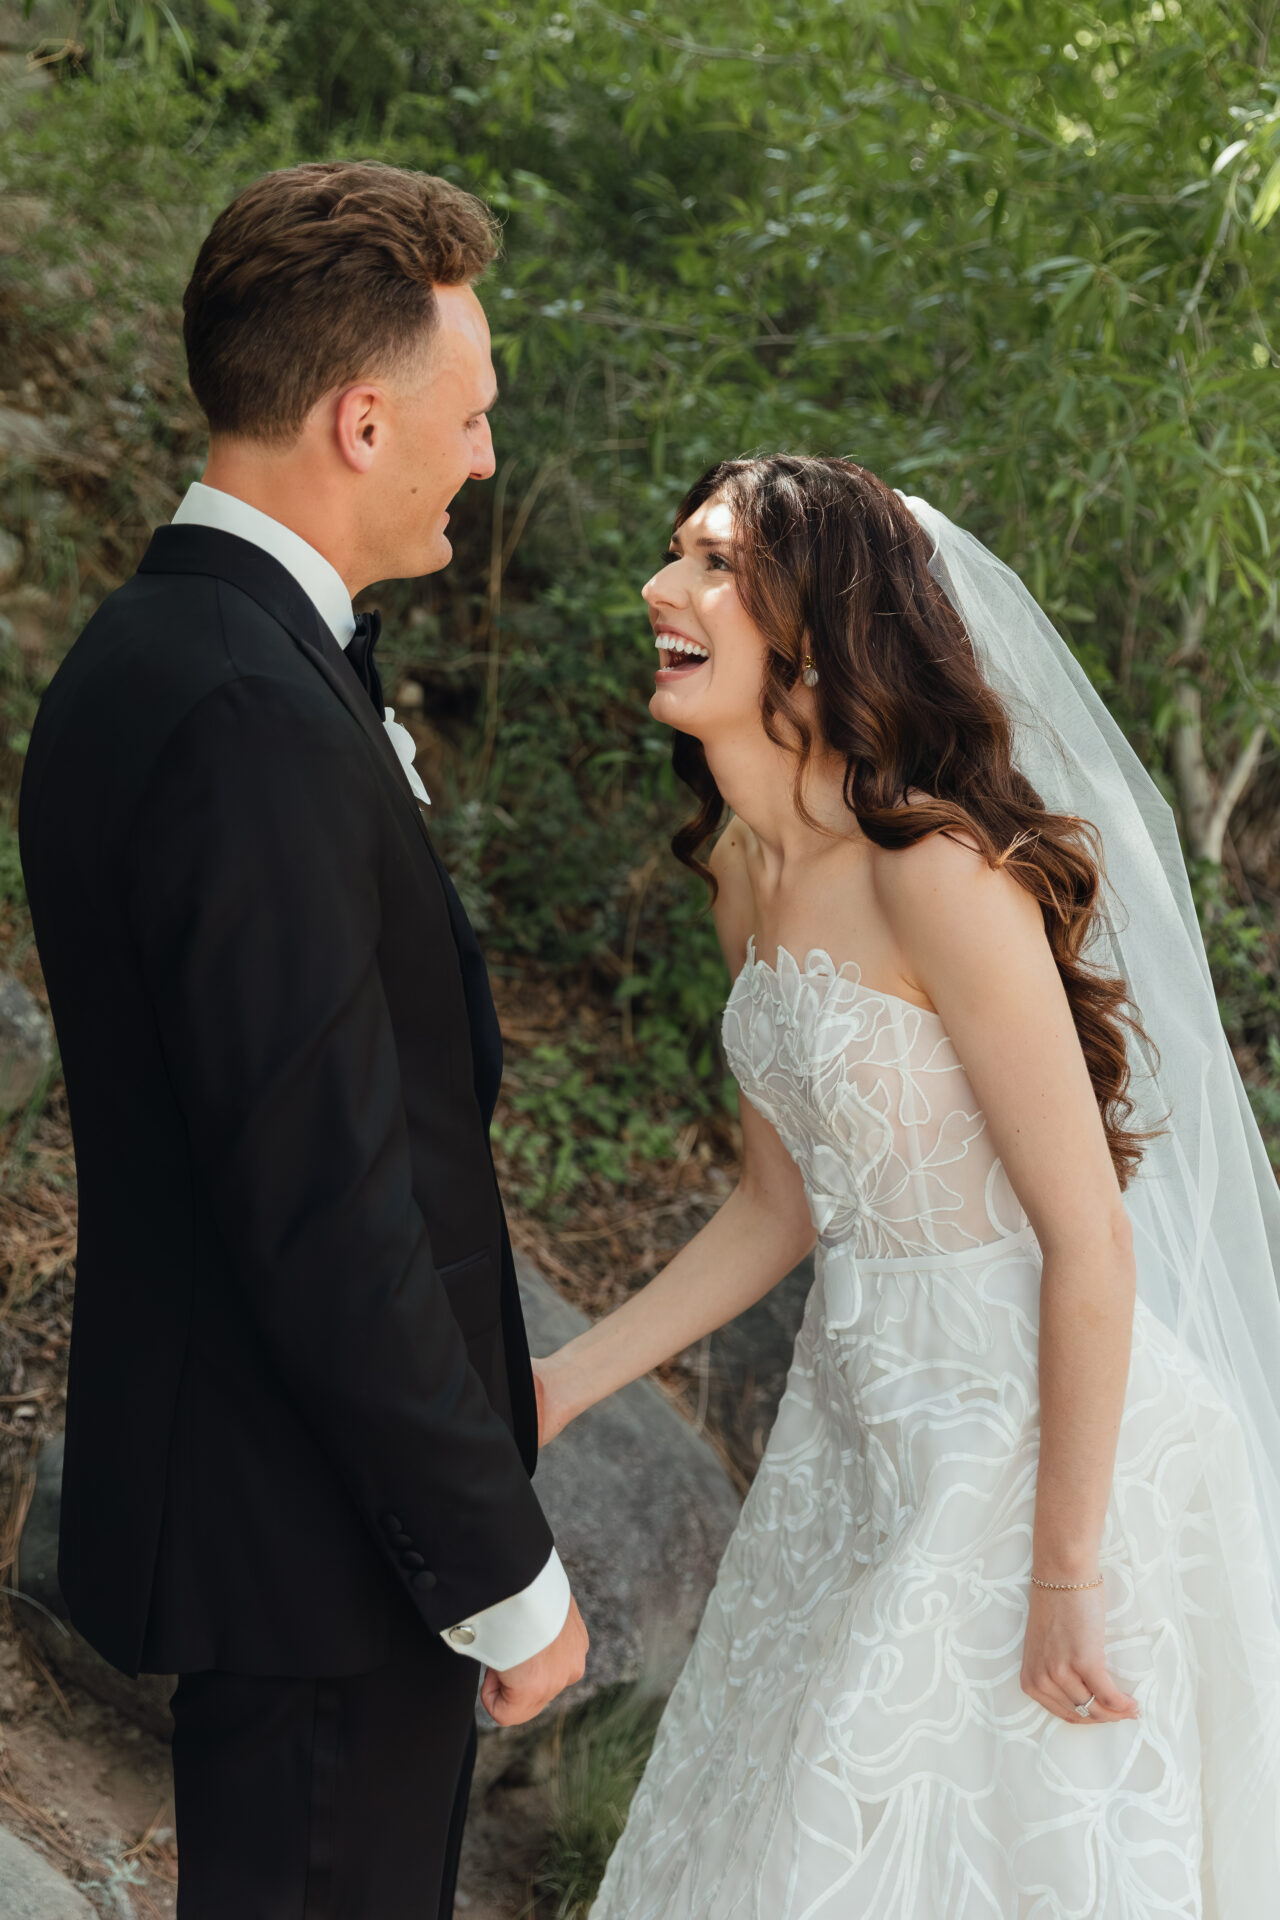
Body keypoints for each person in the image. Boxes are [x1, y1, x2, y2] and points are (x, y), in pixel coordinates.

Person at [532, 456, 1280, 1917]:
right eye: (674, 554)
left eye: (712, 565)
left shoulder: (935, 870)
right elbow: (778, 1207)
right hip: (852, 1439)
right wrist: (565, 1380)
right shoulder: (746, 872)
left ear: (818, 626)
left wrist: (1065, 1569)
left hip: (1040, 1447)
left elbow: (1087, 1238)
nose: (660, 591)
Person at [18, 160, 587, 1919]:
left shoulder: (187, 648)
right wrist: (505, 1573)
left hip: (290, 1523)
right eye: (470, 416)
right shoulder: (247, 707)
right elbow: (325, 1206)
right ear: (359, 420)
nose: (484, 459)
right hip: (319, 1547)